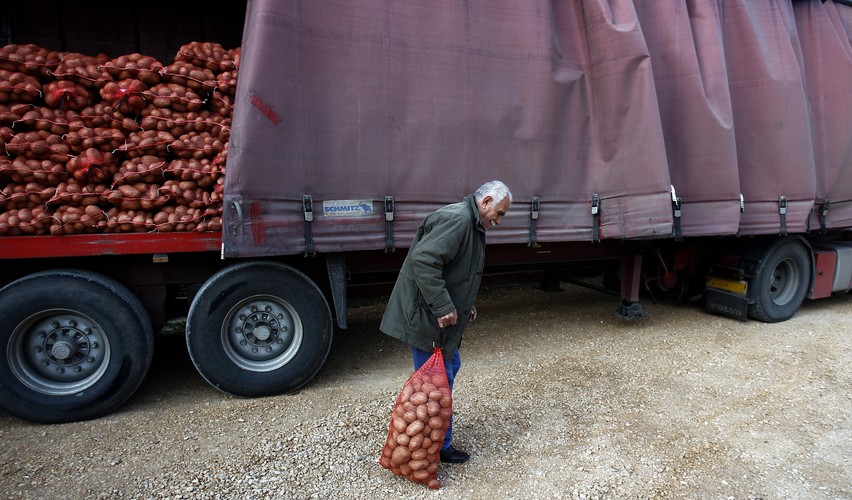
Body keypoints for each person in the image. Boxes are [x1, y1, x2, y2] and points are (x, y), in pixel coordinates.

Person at [379, 180, 512, 464]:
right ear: (487, 201)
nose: (499, 221)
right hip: (429, 317)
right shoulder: (459, 220)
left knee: (447, 370)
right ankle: (437, 448)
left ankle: (433, 442)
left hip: (435, 314)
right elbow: (424, 261)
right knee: (436, 384)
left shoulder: (469, 221)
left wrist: (464, 303)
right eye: (499, 213)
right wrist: (442, 305)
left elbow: (452, 269)